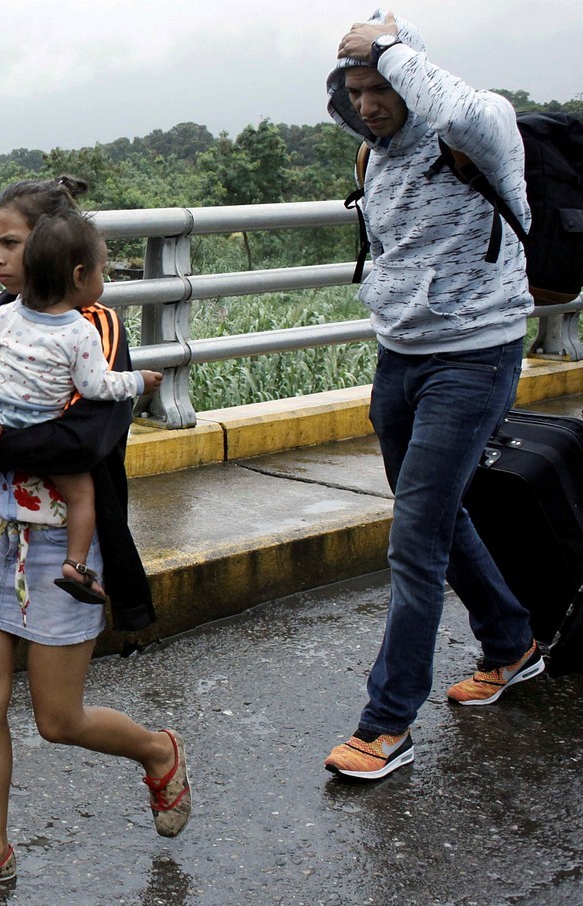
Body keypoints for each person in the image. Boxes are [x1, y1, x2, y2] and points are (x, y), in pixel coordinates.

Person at [0, 177, 190, 899]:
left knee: (59, 720)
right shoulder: (5, 316)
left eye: (10, 243)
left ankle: (158, 751)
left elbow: (87, 438)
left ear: (50, 246)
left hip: (59, 546)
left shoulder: (93, 325)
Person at [323, 10, 542, 781]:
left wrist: (388, 46)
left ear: (412, 73)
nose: (370, 102)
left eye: (381, 86)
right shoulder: (371, 157)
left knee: (414, 542)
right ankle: (512, 640)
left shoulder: (478, 130)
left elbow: (465, 107)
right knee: (439, 515)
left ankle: (388, 722)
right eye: (357, 90)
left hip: (475, 358)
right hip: (401, 358)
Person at [0, 210, 162, 609]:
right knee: (81, 493)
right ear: (78, 275)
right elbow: (99, 386)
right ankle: (75, 566)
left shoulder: (9, 314)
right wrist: (139, 382)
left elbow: (84, 442)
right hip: (26, 454)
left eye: (11, 243)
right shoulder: (78, 331)